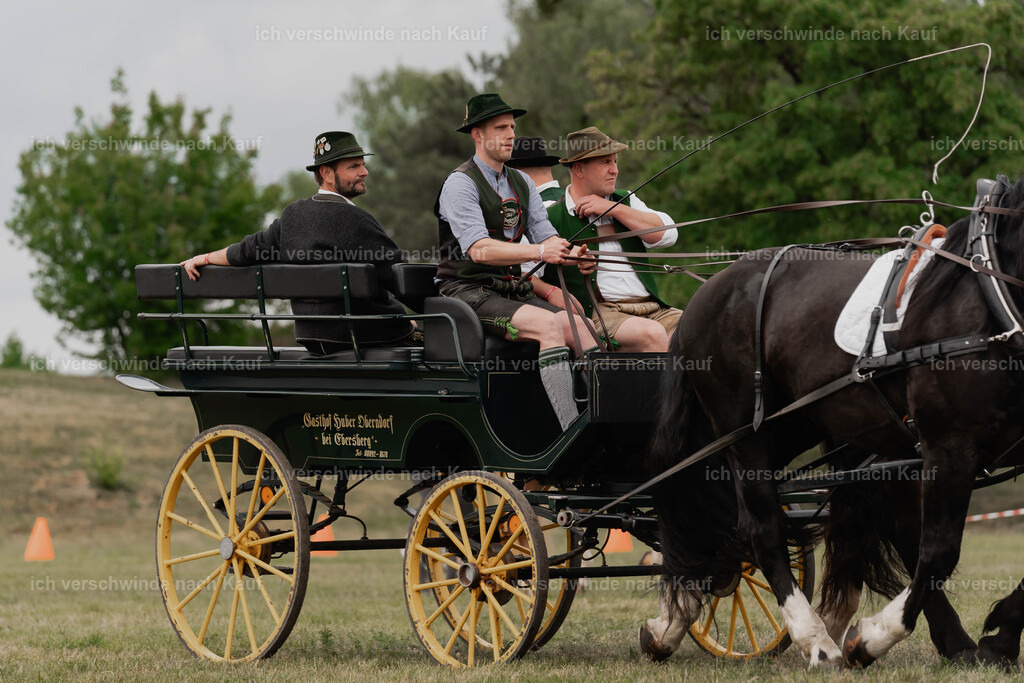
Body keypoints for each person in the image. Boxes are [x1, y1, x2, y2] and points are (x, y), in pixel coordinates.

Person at [435, 93, 596, 430]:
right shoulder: (460, 184)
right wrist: (541, 253)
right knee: (550, 325)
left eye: (512, 126)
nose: (511, 134)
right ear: (478, 135)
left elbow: (546, 236)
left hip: (509, 288)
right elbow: (479, 250)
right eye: (501, 127)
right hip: (466, 291)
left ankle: (604, 416)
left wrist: (573, 253)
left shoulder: (521, 182)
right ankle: (570, 431)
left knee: (581, 324)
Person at [179, 131, 419, 353]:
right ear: (326, 173)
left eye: (363, 165)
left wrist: (206, 257)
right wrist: (440, 308)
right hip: (367, 337)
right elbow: (401, 278)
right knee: (446, 341)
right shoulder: (357, 220)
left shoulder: (293, 215)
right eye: (354, 166)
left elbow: (248, 250)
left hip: (311, 339)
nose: (364, 172)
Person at [545, 126, 682, 352]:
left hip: (654, 308)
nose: (614, 170)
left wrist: (613, 209)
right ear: (579, 169)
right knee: (652, 334)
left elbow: (668, 235)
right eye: (605, 162)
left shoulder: (625, 200)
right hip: (600, 314)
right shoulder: (550, 215)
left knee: (704, 327)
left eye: (615, 162)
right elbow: (528, 270)